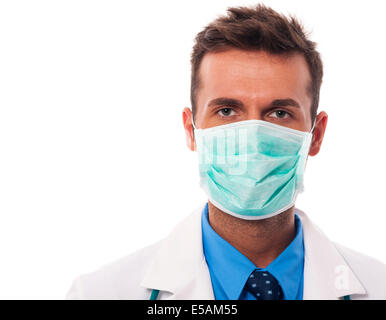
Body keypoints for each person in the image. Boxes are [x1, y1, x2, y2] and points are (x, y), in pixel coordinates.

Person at [66, 4, 386, 300]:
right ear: (192, 131)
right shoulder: (98, 293)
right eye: (227, 111)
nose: (253, 137)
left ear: (316, 135)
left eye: (278, 114)